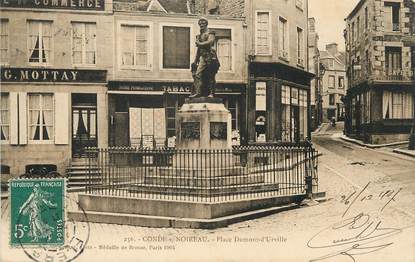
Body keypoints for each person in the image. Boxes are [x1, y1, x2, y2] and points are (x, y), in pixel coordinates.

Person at [190, 17, 220, 98]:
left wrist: (199, 43)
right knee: (197, 74)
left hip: (211, 56)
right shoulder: (199, 35)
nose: (201, 25)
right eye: (200, 24)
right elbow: (199, 50)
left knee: (211, 75)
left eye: (203, 23)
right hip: (203, 57)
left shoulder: (211, 32)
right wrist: (195, 61)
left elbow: (210, 42)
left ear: (206, 24)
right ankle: (198, 92)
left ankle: (211, 93)